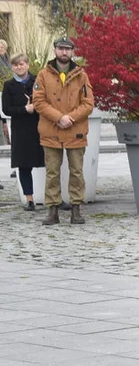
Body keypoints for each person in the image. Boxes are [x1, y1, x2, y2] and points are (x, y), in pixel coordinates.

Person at [32, 37, 94, 226]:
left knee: (76, 172)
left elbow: (88, 103)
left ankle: (76, 209)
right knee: (52, 172)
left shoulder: (81, 75)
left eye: (67, 49)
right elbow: (38, 101)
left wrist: (71, 118)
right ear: (55, 50)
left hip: (75, 131)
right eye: (61, 48)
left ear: (73, 51)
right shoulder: (43, 75)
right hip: (51, 130)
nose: (64, 52)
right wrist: (59, 117)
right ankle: (53, 211)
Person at [2, 53, 44, 211]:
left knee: (50, 162)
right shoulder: (8, 85)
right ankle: (29, 199)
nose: (19, 67)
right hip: (21, 130)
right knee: (24, 166)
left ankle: (55, 197)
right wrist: (24, 109)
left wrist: (36, 108)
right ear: (12, 67)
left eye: (21, 64)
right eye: (15, 65)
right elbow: (6, 109)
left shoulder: (38, 81)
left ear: (27, 65)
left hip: (39, 127)